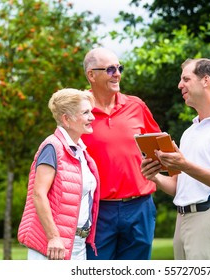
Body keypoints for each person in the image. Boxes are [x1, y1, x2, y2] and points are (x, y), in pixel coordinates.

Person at [141, 58, 210, 260]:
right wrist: (155, 176)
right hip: (182, 221)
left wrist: (184, 165)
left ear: (206, 80)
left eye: (186, 79)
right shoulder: (190, 132)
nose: (179, 85)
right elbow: (178, 186)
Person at [81, 47, 161, 260]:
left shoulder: (136, 106)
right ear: (91, 75)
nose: (117, 74)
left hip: (140, 207)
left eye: (119, 68)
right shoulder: (78, 110)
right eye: (109, 69)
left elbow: (159, 148)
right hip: (98, 210)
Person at [17, 88, 100, 260]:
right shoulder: (52, 147)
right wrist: (53, 237)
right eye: (85, 113)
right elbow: (38, 194)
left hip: (77, 243)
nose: (92, 117)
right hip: (54, 246)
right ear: (66, 119)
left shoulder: (80, 152)